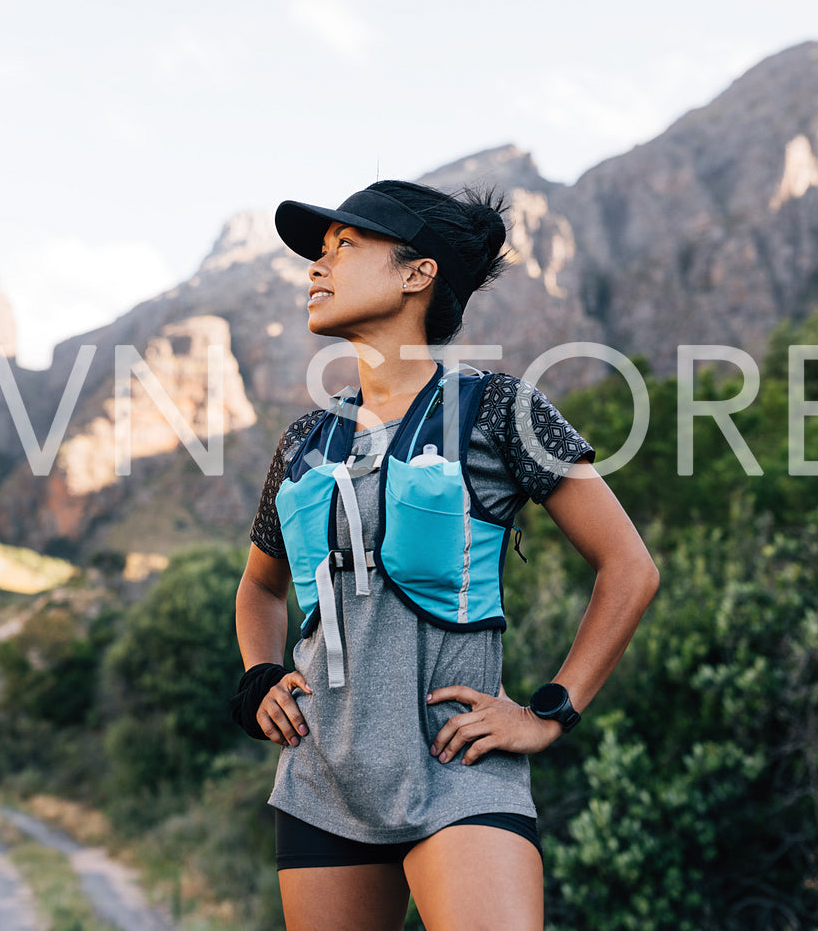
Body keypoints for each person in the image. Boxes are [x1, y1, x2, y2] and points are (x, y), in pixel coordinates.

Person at [230, 178, 660, 930]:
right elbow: (259, 590)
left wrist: (550, 711)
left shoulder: (499, 407)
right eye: (319, 254)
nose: (316, 268)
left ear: (416, 272)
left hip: (459, 772)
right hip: (322, 780)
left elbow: (629, 568)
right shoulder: (305, 441)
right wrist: (259, 676)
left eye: (344, 247)